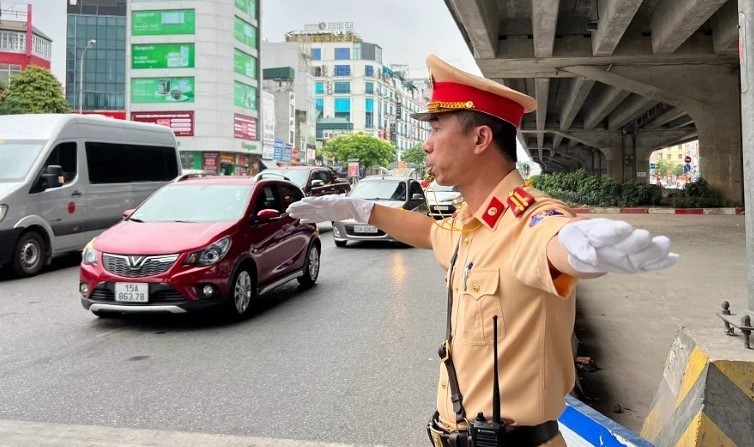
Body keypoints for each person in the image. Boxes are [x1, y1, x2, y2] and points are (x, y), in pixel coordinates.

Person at [286, 55, 678, 447]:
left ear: (480, 139)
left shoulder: (531, 218)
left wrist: (578, 248)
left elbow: (549, 242)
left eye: (437, 128)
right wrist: (363, 209)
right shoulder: (471, 222)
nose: (426, 144)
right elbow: (431, 233)